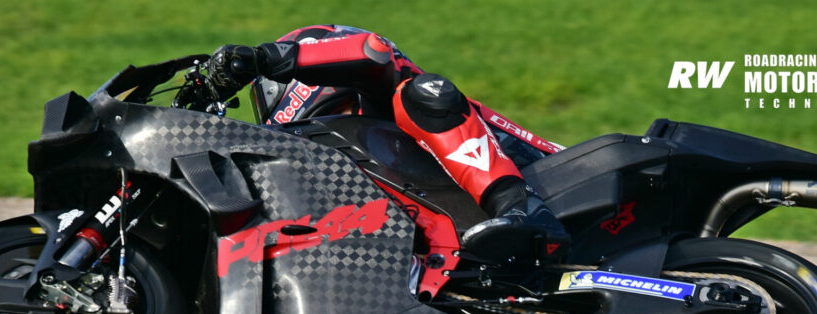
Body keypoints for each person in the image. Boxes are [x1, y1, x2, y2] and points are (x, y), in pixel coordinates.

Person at [208, 24, 571, 259]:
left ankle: (520, 208)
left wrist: (262, 59)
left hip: (551, 176)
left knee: (419, 94)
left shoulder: (384, 97)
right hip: (467, 240)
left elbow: (372, 50)